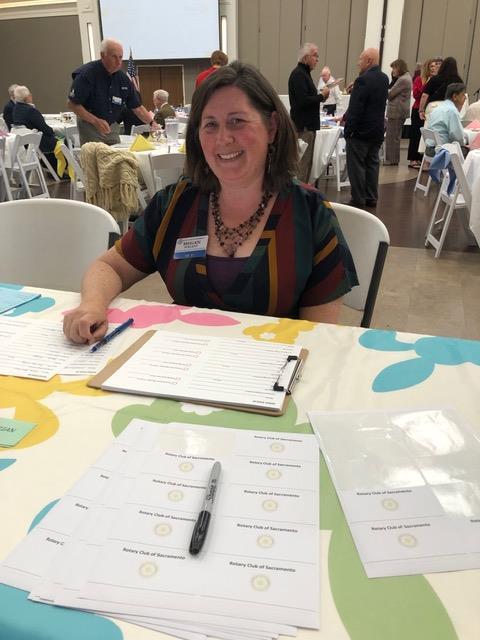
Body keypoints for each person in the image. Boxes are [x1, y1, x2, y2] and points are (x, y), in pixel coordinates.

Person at [63, 62, 358, 345]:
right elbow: (111, 267)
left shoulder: (310, 214)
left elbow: (317, 338)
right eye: (210, 125)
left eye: (237, 121)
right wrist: (92, 304)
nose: (223, 138)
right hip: (182, 366)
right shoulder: (175, 205)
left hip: (273, 370)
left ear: (271, 127)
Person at [67, 38, 157, 145]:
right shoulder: (87, 74)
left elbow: (137, 108)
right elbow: (72, 104)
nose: (118, 62)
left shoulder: (123, 79)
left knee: (116, 154)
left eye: (120, 57)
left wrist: (152, 122)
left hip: (112, 126)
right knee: (95, 153)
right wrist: (95, 121)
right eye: (114, 57)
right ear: (103, 55)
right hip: (90, 124)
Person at [344, 48, 388, 208]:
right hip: (377, 130)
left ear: (368, 61)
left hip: (361, 131)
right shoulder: (384, 79)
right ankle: (371, 197)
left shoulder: (362, 80)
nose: (358, 63)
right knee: (372, 164)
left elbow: (356, 108)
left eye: (361, 59)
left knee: (356, 165)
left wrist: (348, 130)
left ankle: (358, 198)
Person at [288, 43, 330, 182]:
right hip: (303, 126)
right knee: (302, 165)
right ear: (306, 58)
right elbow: (303, 101)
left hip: (306, 125)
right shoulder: (299, 75)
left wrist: (320, 96)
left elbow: (306, 98)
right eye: (315, 55)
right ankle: (299, 192)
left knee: (306, 164)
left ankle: (302, 190)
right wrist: (321, 96)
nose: (317, 59)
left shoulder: (304, 74)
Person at [12, 85, 57, 166]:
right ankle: (59, 169)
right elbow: (45, 129)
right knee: (64, 142)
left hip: (25, 143)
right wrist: (53, 132)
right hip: (38, 142)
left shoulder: (15, 109)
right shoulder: (30, 111)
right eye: (30, 94)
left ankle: (48, 166)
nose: (31, 95)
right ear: (26, 97)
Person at [408, 58, 437, 168]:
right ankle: (413, 159)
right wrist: (427, 85)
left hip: (429, 110)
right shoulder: (419, 79)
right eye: (431, 66)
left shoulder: (436, 80)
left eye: (435, 66)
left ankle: (422, 158)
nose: (433, 68)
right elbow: (416, 95)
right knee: (415, 134)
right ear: (427, 68)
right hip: (418, 109)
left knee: (424, 136)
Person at [418, 56, 463, 124]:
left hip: (433, 107)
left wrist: (421, 110)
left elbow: (424, 95)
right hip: (449, 109)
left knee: (429, 128)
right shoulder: (458, 81)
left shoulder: (435, 78)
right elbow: (460, 99)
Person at [384, 59, 412, 166]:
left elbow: (390, 94)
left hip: (397, 111)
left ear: (399, 67)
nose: (393, 71)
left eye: (394, 68)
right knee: (395, 136)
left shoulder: (402, 79)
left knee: (392, 136)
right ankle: (393, 159)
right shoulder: (406, 77)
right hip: (400, 111)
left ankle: (391, 160)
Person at [426, 83, 467, 150]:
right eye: (463, 95)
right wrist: (466, 142)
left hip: (431, 148)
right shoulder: (452, 110)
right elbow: (458, 138)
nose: (465, 98)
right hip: (443, 150)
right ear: (455, 96)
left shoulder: (438, 107)